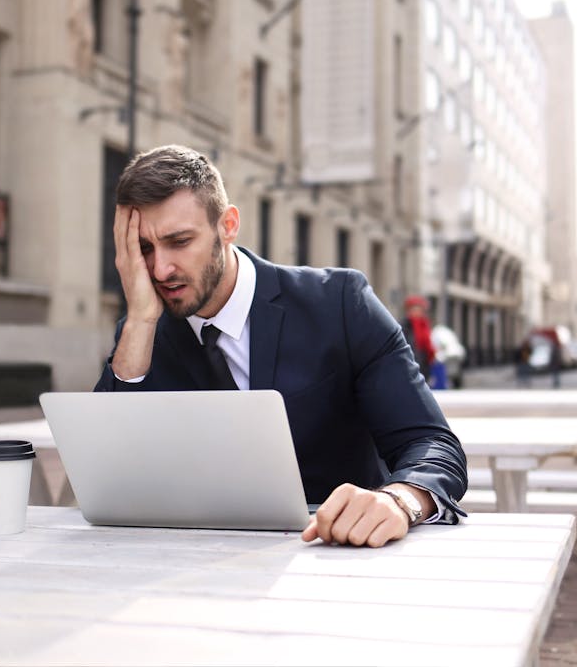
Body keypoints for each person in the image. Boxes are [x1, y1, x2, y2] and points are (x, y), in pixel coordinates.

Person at [95, 145, 468, 548]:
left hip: (335, 556)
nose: (160, 269)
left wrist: (399, 500)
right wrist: (138, 321)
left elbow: (432, 444)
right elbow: (105, 472)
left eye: (179, 241)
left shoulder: (340, 303)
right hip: (191, 566)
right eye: (144, 249)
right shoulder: (144, 333)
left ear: (228, 225)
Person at [401, 295, 436, 385]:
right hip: (411, 363)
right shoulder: (405, 326)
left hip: (424, 364)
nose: (417, 312)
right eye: (414, 309)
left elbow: (428, 345)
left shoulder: (424, 324)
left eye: (419, 309)